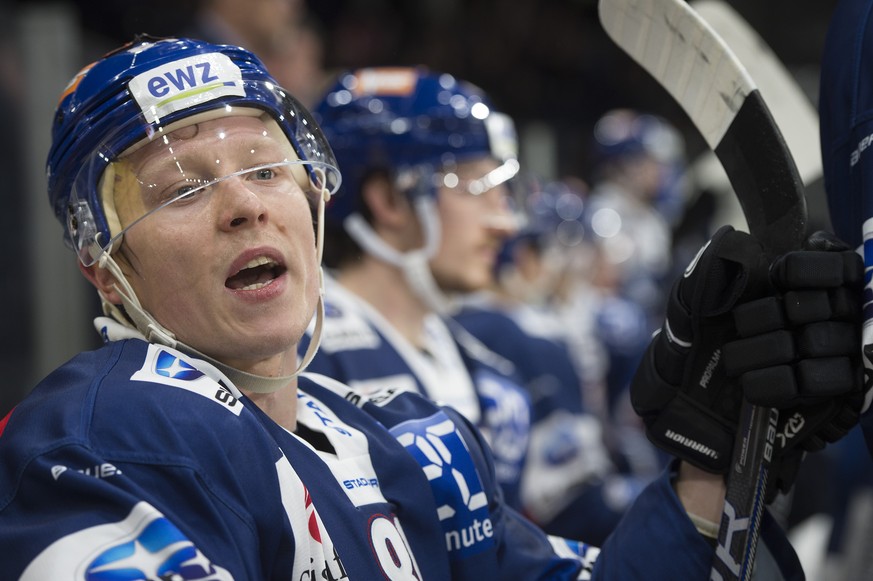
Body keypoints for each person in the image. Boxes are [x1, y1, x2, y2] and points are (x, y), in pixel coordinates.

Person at [0, 35, 860, 579]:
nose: (245, 205)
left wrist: (708, 471)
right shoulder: (101, 436)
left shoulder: (407, 443)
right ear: (105, 269)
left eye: (266, 169)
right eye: (182, 187)